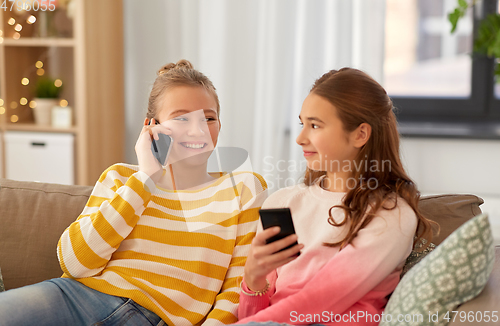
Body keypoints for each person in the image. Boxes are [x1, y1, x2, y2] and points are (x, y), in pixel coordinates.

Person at [0, 60, 267, 326]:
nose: (198, 130)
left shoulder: (243, 189)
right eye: (181, 117)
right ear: (152, 126)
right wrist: (146, 179)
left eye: (208, 118)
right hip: (77, 298)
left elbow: (237, 288)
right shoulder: (122, 178)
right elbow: (75, 262)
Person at [235, 68, 434, 326]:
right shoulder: (283, 202)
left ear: (360, 135)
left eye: (315, 125)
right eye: (302, 123)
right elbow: (253, 318)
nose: (300, 138)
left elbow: (319, 301)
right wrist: (253, 279)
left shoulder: (390, 215)